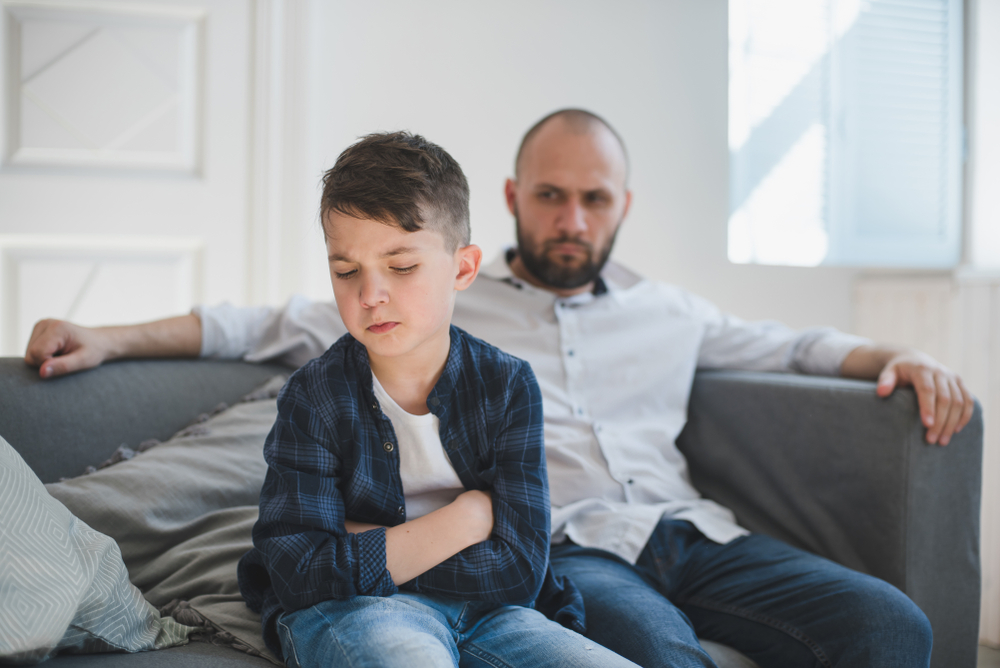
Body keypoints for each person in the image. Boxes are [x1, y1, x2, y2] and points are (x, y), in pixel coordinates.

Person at [24, 110, 975, 668]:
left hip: (686, 532)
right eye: (551, 195)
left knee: (889, 623)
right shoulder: (398, 310)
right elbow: (251, 329)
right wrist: (110, 337)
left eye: (594, 199)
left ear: (622, 207)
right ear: (516, 198)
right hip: (577, 549)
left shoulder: (659, 314)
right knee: (658, 651)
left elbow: (794, 344)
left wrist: (897, 354)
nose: (572, 219)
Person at [233, 131, 637, 668]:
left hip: (494, 612)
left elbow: (519, 570)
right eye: (345, 271)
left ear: (463, 269)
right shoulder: (314, 395)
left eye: (401, 267)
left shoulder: (508, 385)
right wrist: (463, 523)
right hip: (357, 608)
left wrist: (368, 545)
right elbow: (300, 570)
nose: (370, 295)